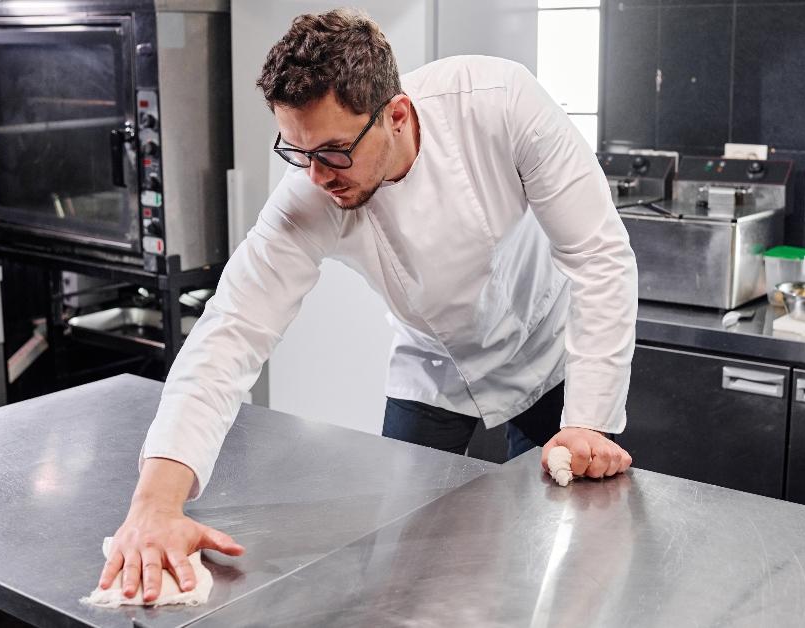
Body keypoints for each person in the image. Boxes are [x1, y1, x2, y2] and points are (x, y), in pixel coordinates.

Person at [97, 8, 638, 602]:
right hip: (433, 365)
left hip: (546, 349)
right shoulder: (308, 188)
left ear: (397, 116)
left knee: (561, 555)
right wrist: (155, 503)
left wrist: (588, 420)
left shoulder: (501, 102)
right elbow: (231, 330)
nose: (315, 175)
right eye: (297, 151)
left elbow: (598, 257)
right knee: (406, 568)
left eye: (332, 150)